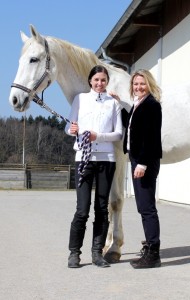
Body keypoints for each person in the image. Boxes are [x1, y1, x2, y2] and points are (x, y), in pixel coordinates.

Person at [65, 65, 123, 268]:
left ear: (107, 82)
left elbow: (118, 134)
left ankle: (97, 253)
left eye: (103, 80)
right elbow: (68, 128)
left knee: (102, 208)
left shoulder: (113, 104)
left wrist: (99, 136)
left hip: (106, 160)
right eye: (96, 80)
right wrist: (72, 129)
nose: (100, 83)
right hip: (83, 158)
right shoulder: (79, 99)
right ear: (90, 81)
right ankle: (74, 253)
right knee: (82, 209)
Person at [120, 69, 162, 269]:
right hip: (137, 158)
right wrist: (117, 102)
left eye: (142, 84)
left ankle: (153, 254)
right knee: (142, 207)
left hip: (145, 161)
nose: (138, 87)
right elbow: (131, 128)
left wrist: (142, 164)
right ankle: (150, 247)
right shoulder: (138, 104)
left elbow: (151, 138)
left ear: (149, 84)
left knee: (147, 208)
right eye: (136, 84)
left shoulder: (152, 105)